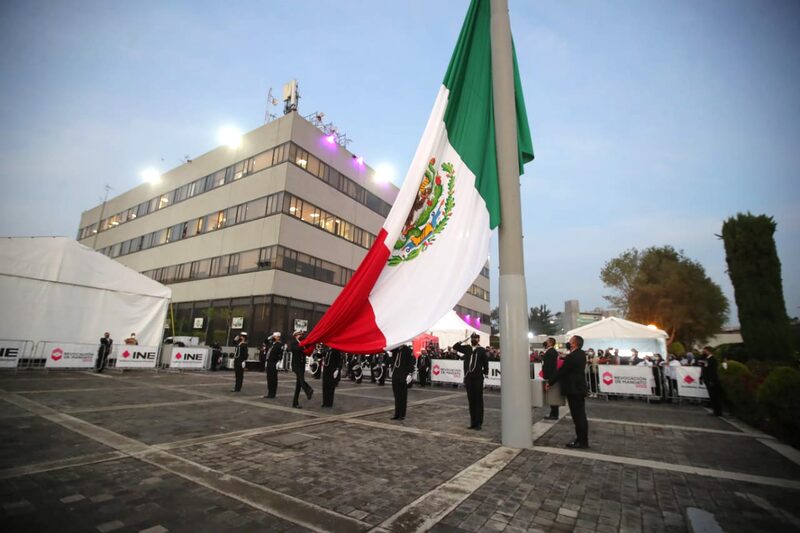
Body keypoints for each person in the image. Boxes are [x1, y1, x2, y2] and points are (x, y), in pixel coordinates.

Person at [546, 335, 589, 448]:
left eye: (570, 341)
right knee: (580, 415)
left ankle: (582, 441)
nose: (568, 343)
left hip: (573, 389)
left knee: (578, 417)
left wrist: (550, 382)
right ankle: (582, 439)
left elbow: (562, 371)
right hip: (579, 388)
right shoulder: (581, 354)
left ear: (575, 343)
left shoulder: (572, 356)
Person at [453, 332, 489, 430]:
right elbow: (455, 346)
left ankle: (479, 423)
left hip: (478, 378)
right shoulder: (467, 348)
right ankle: (473, 422)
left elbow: (485, 363)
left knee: (478, 400)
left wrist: (485, 375)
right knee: (471, 400)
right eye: (472, 338)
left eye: (475, 338)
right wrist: (465, 339)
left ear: (478, 339)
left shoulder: (481, 350)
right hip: (468, 378)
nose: (474, 339)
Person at [390, 344, 415, 420]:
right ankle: (397, 414)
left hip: (403, 375)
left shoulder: (407, 350)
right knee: (396, 396)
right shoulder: (395, 349)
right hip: (395, 374)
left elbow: (411, 362)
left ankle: (402, 415)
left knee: (403, 396)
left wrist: (410, 373)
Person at [289, 330, 313, 408]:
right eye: (300, 334)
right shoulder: (293, 343)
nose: (301, 336)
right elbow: (296, 349)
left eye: (302, 334)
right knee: (301, 379)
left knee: (298, 385)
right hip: (296, 365)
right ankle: (308, 390)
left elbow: (306, 351)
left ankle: (295, 403)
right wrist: (303, 346)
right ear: (296, 335)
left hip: (301, 365)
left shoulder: (303, 343)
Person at [541, 337, 561, 420]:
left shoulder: (550, 352)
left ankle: (554, 414)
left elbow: (549, 366)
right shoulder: (551, 351)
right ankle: (553, 413)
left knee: (552, 395)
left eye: (547, 341)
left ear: (550, 343)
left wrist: (547, 377)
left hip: (551, 376)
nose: (545, 342)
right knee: (552, 395)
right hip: (551, 375)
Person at [700, 346, 723, 416]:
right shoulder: (707, 359)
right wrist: (702, 377)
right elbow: (705, 369)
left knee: (714, 396)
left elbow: (713, 371)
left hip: (711, 380)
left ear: (708, 351)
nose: (703, 352)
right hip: (707, 380)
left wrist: (711, 380)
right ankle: (715, 410)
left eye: (704, 351)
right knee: (711, 396)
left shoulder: (713, 359)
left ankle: (718, 411)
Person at [263, 332, 283, 398]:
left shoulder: (279, 344)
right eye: (273, 336)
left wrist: (279, 361)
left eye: (275, 336)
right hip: (269, 362)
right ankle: (269, 393)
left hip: (274, 362)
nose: (273, 337)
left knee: (273, 378)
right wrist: (270, 337)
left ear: (278, 337)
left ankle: (273, 393)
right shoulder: (272, 344)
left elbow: (281, 353)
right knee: (269, 378)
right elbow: (265, 342)